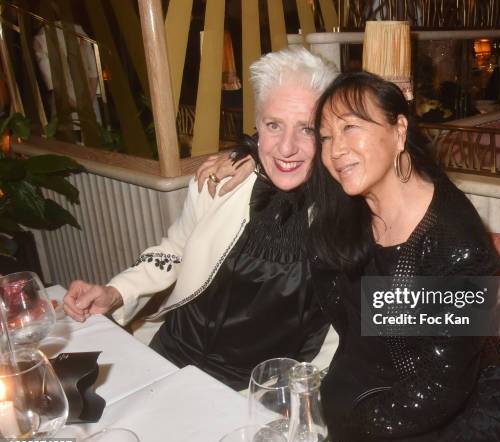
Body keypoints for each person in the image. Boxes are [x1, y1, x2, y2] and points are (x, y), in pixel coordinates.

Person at [63, 47, 338, 390]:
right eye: (273, 125)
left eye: (307, 129)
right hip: (170, 357)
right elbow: (174, 249)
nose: (286, 147)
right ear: (256, 126)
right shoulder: (222, 180)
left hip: (254, 392)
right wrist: (116, 292)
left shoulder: (346, 211)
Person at [307, 72, 500, 442]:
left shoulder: (456, 246)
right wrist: (249, 152)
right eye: (326, 136)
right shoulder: (348, 209)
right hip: (355, 401)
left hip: (426, 424)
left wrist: (350, 426)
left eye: (351, 127)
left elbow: (438, 389)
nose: (335, 149)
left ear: (399, 131)